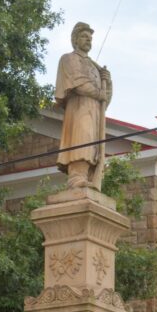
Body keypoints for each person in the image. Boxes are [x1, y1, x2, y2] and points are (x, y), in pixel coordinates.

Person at [54, 22, 112, 190]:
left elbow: (105, 98)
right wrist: (99, 93)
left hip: (95, 111)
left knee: (94, 144)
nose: (88, 40)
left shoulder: (95, 67)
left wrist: (107, 81)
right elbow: (78, 82)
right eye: (84, 37)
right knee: (82, 138)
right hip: (79, 108)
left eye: (90, 38)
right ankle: (76, 177)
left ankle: (90, 177)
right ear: (75, 39)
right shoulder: (69, 59)